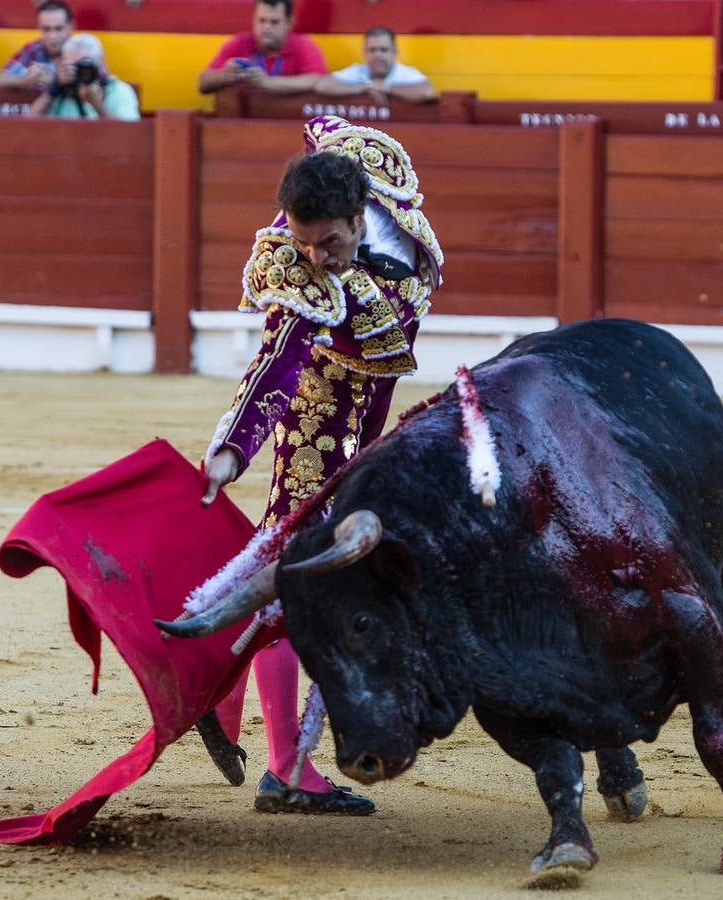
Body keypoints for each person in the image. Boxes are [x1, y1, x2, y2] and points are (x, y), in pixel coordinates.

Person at [197, 114, 443, 814]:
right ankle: (285, 769)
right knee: (294, 576)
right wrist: (232, 450)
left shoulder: (378, 192)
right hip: (315, 421)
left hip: (368, 428)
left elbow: (330, 129)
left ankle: (227, 688)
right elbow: (275, 362)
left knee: (322, 573)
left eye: (330, 242)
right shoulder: (305, 276)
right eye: (304, 243)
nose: (318, 259)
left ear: (362, 214)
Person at [198, 0, 326, 96]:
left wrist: (266, 82)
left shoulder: (303, 45)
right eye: (262, 20)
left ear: (289, 23)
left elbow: (317, 80)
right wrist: (224, 75)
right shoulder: (239, 43)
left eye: (274, 22)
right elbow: (203, 83)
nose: (266, 27)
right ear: (253, 20)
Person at [27, 33, 139, 120]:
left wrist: (96, 104)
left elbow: (127, 136)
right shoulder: (60, 92)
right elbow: (28, 127)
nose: (81, 74)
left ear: (100, 65)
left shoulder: (118, 91)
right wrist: (54, 88)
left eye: (86, 67)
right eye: (74, 67)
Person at [315, 27, 435, 104]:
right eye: (372, 50)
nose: (378, 55)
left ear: (395, 52)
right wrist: (366, 88)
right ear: (364, 52)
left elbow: (427, 93)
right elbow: (322, 86)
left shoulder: (405, 73)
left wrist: (386, 88)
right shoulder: (358, 71)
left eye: (383, 50)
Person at [0, 0, 73, 91]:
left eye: (58, 29)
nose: (52, 36)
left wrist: (50, 80)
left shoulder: (82, 49)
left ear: (71, 27)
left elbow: (86, 89)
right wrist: (22, 81)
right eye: (46, 29)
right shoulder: (34, 50)